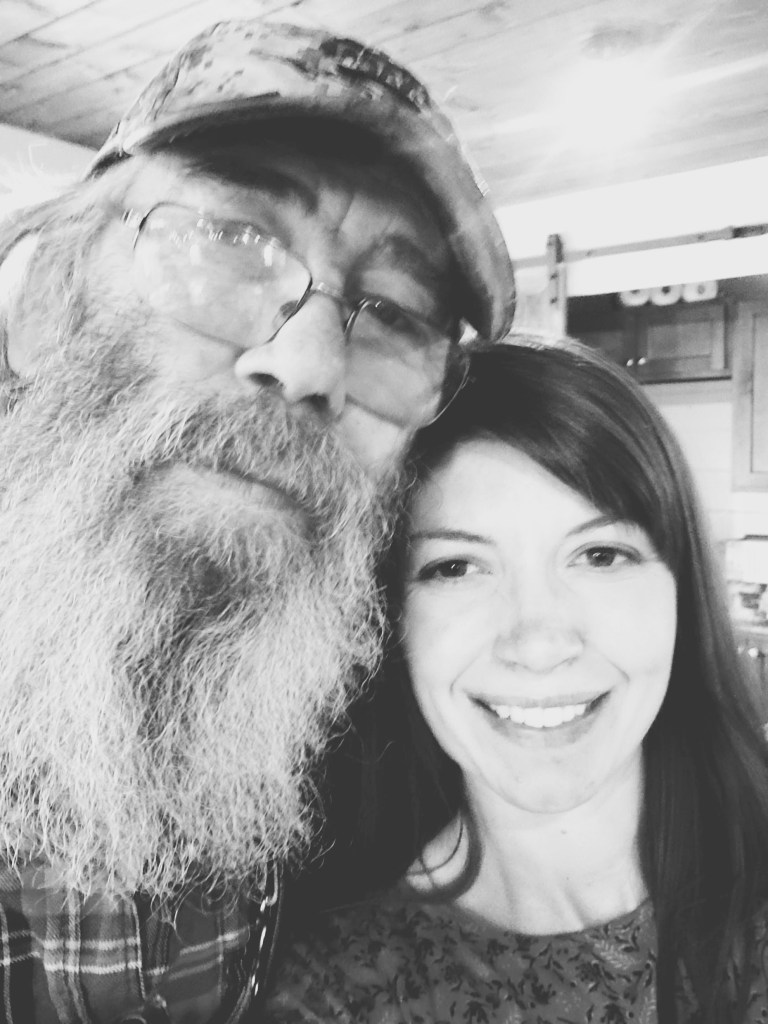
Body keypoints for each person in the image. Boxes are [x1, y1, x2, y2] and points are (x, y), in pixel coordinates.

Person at [0, 16, 516, 1023]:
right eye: (231, 239)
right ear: (47, 295)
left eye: (394, 313)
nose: (311, 363)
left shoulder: (378, 705)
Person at [265, 340, 768, 1024]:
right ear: (392, 621)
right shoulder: (334, 992)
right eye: (456, 567)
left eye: (600, 554)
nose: (537, 644)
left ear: (681, 593)